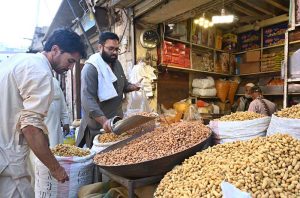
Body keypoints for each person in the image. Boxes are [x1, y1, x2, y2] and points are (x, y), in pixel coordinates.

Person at [0, 28, 86, 197]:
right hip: (9, 159)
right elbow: (30, 127)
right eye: (69, 61)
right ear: (55, 50)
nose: (69, 68)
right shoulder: (41, 72)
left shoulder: (19, 60)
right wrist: (56, 168)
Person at [76, 32, 140, 148]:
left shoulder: (117, 64)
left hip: (117, 124)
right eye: (111, 49)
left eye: (117, 49)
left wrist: (133, 87)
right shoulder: (90, 68)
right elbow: (87, 100)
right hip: (98, 127)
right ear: (100, 47)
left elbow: (123, 85)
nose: (115, 52)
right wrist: (105, 121)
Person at [45, 77, 70, 147]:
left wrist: (65, 121)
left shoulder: (54, 81)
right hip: (41, 129)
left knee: (57, 150)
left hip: (55, 129)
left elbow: (62, 102)